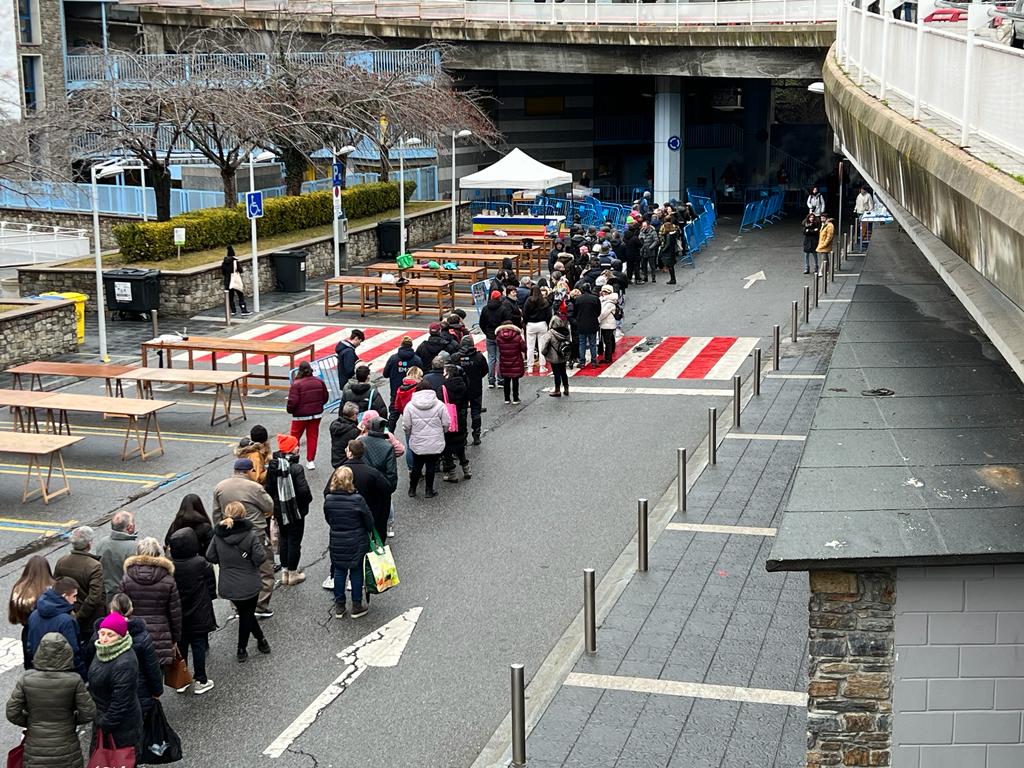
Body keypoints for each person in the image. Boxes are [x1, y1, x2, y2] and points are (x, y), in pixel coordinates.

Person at [6, 631, 95, 768]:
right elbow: (89, 712)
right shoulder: (74, 680)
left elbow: (12, 712)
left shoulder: (27, 678)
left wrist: (30, 722)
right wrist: (71, 721)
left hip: (35, 748)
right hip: (67, 748)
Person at [206, 501, 270, 662]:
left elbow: (210, 556)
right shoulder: (250, 534)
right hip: (250, 582)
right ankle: (242, 649)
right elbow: (260, 557)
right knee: (246, 615)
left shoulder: (218, 535)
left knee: (245, 613)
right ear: (243, 514)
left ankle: (262, 640)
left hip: (228, 583)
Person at [212, 458, 275, 619]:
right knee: (264, 569)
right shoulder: (254, 487)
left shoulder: (220, 487)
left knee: (235, 569)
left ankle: (238, 607)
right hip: (255, 533)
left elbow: (216, 513)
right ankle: (260, 606)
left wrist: (220, 532)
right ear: (249, 471)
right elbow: (269, 506)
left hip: (229, 534)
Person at [82, 595, 161, 719]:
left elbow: (89, 661)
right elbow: (152, 667)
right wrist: (157, 690)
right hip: (140, 691)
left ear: (111, 610)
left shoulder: (100, 634)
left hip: (106, 694)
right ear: (131, 609)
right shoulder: (142, 636)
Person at [117, 537, 182, 672]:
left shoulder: (127, 578)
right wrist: (175, 638)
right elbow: (175, 613)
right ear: (158, 554)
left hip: (134, 632)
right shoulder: (168, 580)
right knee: (158, 674)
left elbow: (119, 609)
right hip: (161, 633)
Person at [168, 531, 216, 695]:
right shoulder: (200, 563)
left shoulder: (170, 565)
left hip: (178, 612)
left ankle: (182, 679)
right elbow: (211, 584)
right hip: (199, 610)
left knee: (181, 645)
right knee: (198, 644)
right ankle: (201, 679)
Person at [88, 612, 141, 759]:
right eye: (102, 633)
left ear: (120, 636)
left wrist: (104, 724)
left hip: (120, 726)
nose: (104, 639)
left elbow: (121, 702)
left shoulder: (125, 663)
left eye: (110, 635)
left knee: (118, 760)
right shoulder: (102, 651)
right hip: (102, 717)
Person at [323, 466, 375, 619]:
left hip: (337, 540)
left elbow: (328, 519)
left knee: (339, 571)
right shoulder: (357, 500)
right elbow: (369, 522)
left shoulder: (329, 500)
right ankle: (357, 605)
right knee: (356, 571)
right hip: (357, 540)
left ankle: (340, 605)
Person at [265, 433, 313, 586]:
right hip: (295, 512)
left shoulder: (272, 466)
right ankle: (293, 574)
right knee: (294, 541)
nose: (298, 447)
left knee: (284, 540)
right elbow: (304, 492)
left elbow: (268, 489)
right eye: (296, 446)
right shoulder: (296, 468)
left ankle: (285, 572)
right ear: (290, 449)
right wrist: (305, 503)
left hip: (280, 511)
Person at [53, 526, 104, 640]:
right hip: (89, 619)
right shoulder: (94, 566)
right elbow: (95, 597)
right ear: (89, 544)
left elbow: (56, 588)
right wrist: (79, 616)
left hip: (67, 613)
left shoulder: (61, 562)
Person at [26, 579, 84, 679]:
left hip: (39, 668)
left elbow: (30, 645)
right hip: (62, 673)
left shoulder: (34, 615)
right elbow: (73, 651)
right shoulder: (66, 621)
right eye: (74, 596)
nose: (75, 600)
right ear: (65, 596)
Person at [403, 381, 450, 498]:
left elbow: (406, 426)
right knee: (431, 466)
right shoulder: (440, 405)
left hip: (417, 441)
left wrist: (410, 433)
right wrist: (442, 432)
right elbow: (446, 423)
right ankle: (429, 490)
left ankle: (412, 489)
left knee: (417, 466)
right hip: (434, 441)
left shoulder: (410, 406)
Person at [341, 440, 392, 546]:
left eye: (347, 449)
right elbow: (387, 489)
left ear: (350, 453)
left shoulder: (340, 473)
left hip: (347, 516)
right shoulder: (372, 473)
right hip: (371, 511)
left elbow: (328, 492)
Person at [8, 556, 53, 668]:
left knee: (31, 665)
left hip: (28, 631)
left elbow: (14, 614)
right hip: (50, 631)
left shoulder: (18, 588)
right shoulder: (53, 587)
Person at [286, 360, 329, 471]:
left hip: (300, 416)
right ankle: (310, 461)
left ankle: (293, 458)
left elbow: (293, 401)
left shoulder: (296, 384)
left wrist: (290, 410)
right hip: (316, 414)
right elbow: (325, 397)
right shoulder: (319, 381)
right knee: (312, 436)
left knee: (294, 437)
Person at [95, 511, 138, 605]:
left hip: (107, 593)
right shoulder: (135, 548)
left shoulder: (102, 543)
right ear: (130, 527)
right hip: (126, 596)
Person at [440, 363, 471, 483]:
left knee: (447, 446)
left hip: (449, 419)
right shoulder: (463, 384)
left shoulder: (444, 387)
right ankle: (466, 468)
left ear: (448, 373)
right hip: (460, 418)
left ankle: (452, 473)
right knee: (460, 444)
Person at [383, 337, 423, 421]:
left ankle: (390, 429)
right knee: (413, 417)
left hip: (396, 391)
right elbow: (422, 375)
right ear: (411, 345)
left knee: (393, 416)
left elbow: (385, 374)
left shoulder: (393, 359)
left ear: (401, 344)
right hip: (413, 392)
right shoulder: (417, 360)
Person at [458, 336, 488, 445]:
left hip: (461, 389)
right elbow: (485, 370)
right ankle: (476, 435)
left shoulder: (456, 357)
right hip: (475, 387)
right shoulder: (479, 357)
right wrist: (477, 377)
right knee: (476, 411)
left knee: (462, 413)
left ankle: (463, 436)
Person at [522, 285, 552, 374]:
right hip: (542, 324)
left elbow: (525, 313)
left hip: (531, 325)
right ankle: (542, 366)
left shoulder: (528, 300)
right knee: (542, 346)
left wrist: (526, 322)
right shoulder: (544, 301)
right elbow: (549, 315)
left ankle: (530, 367)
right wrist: (547, 324)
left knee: (530, 347)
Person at [495, 319, 526, 405]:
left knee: (506, 380)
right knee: (515, 380)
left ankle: (507, 398)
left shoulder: (498, 337)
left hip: (504, 360)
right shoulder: (517, 337)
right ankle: (515, 398)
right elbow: (524, 348)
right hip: (516, 360)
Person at [573, 282, 602, 368]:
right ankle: (593, 361)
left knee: (582, 343)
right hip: (592, 323)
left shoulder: (578, 299)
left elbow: (575, 312)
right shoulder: (595, 298)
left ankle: (582, 362)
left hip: (581, 323)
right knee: (593, 343)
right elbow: (598, 311)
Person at [542, 316, 572, 397]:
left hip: (554, 356)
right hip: (563, 355)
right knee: (563, 372)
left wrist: (544, 353)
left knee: (556, 373)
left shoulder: (550, 333)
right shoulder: (565, 332)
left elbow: (544, 345)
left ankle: (557, 390)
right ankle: (566, 388)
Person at [330, 402, 362, 469]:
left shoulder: (334, 424)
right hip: (346, 461)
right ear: (354, 415)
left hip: (336, 458)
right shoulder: (353, 431)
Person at [221, 245, 251, 316]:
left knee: (230, 297)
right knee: (240, 295)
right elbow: (240, 270)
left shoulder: (224, 263)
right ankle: (243, 310)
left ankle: (233, 311)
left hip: (228, 282)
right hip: (235, 281)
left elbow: (223, 272)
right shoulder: (235, 262)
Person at [598, 285, 619, 364]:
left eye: (605, 292)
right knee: (610, 340)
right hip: (607, 323)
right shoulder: (605, 300)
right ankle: (609, 354)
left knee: (607, 341)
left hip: (607, 324)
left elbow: (603, 313)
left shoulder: (609, 302)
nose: (604, 293)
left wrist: (597, 319)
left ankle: (608, 358)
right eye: (603, 291)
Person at [657, 220, 679, 285]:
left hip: (668, 252)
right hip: (672, 251)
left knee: (670, 266)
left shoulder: (668, 235)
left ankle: (673, 279)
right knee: (671, 266)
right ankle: (673, 279)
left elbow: (667, 244)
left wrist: (663, 250)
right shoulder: (673, 234)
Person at [854, 185, 875, 250]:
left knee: (864, 227)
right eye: (861, 190)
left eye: (863, 190)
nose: (861, 191)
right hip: (859, 212)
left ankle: (862, 240)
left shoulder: (868, 196)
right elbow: (857, 203)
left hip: (864, 213)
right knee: (861, 226)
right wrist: (855, 209)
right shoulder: (859, 195)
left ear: (865, 190)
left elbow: (871, 205)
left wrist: (869, 212)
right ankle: (861, 239)